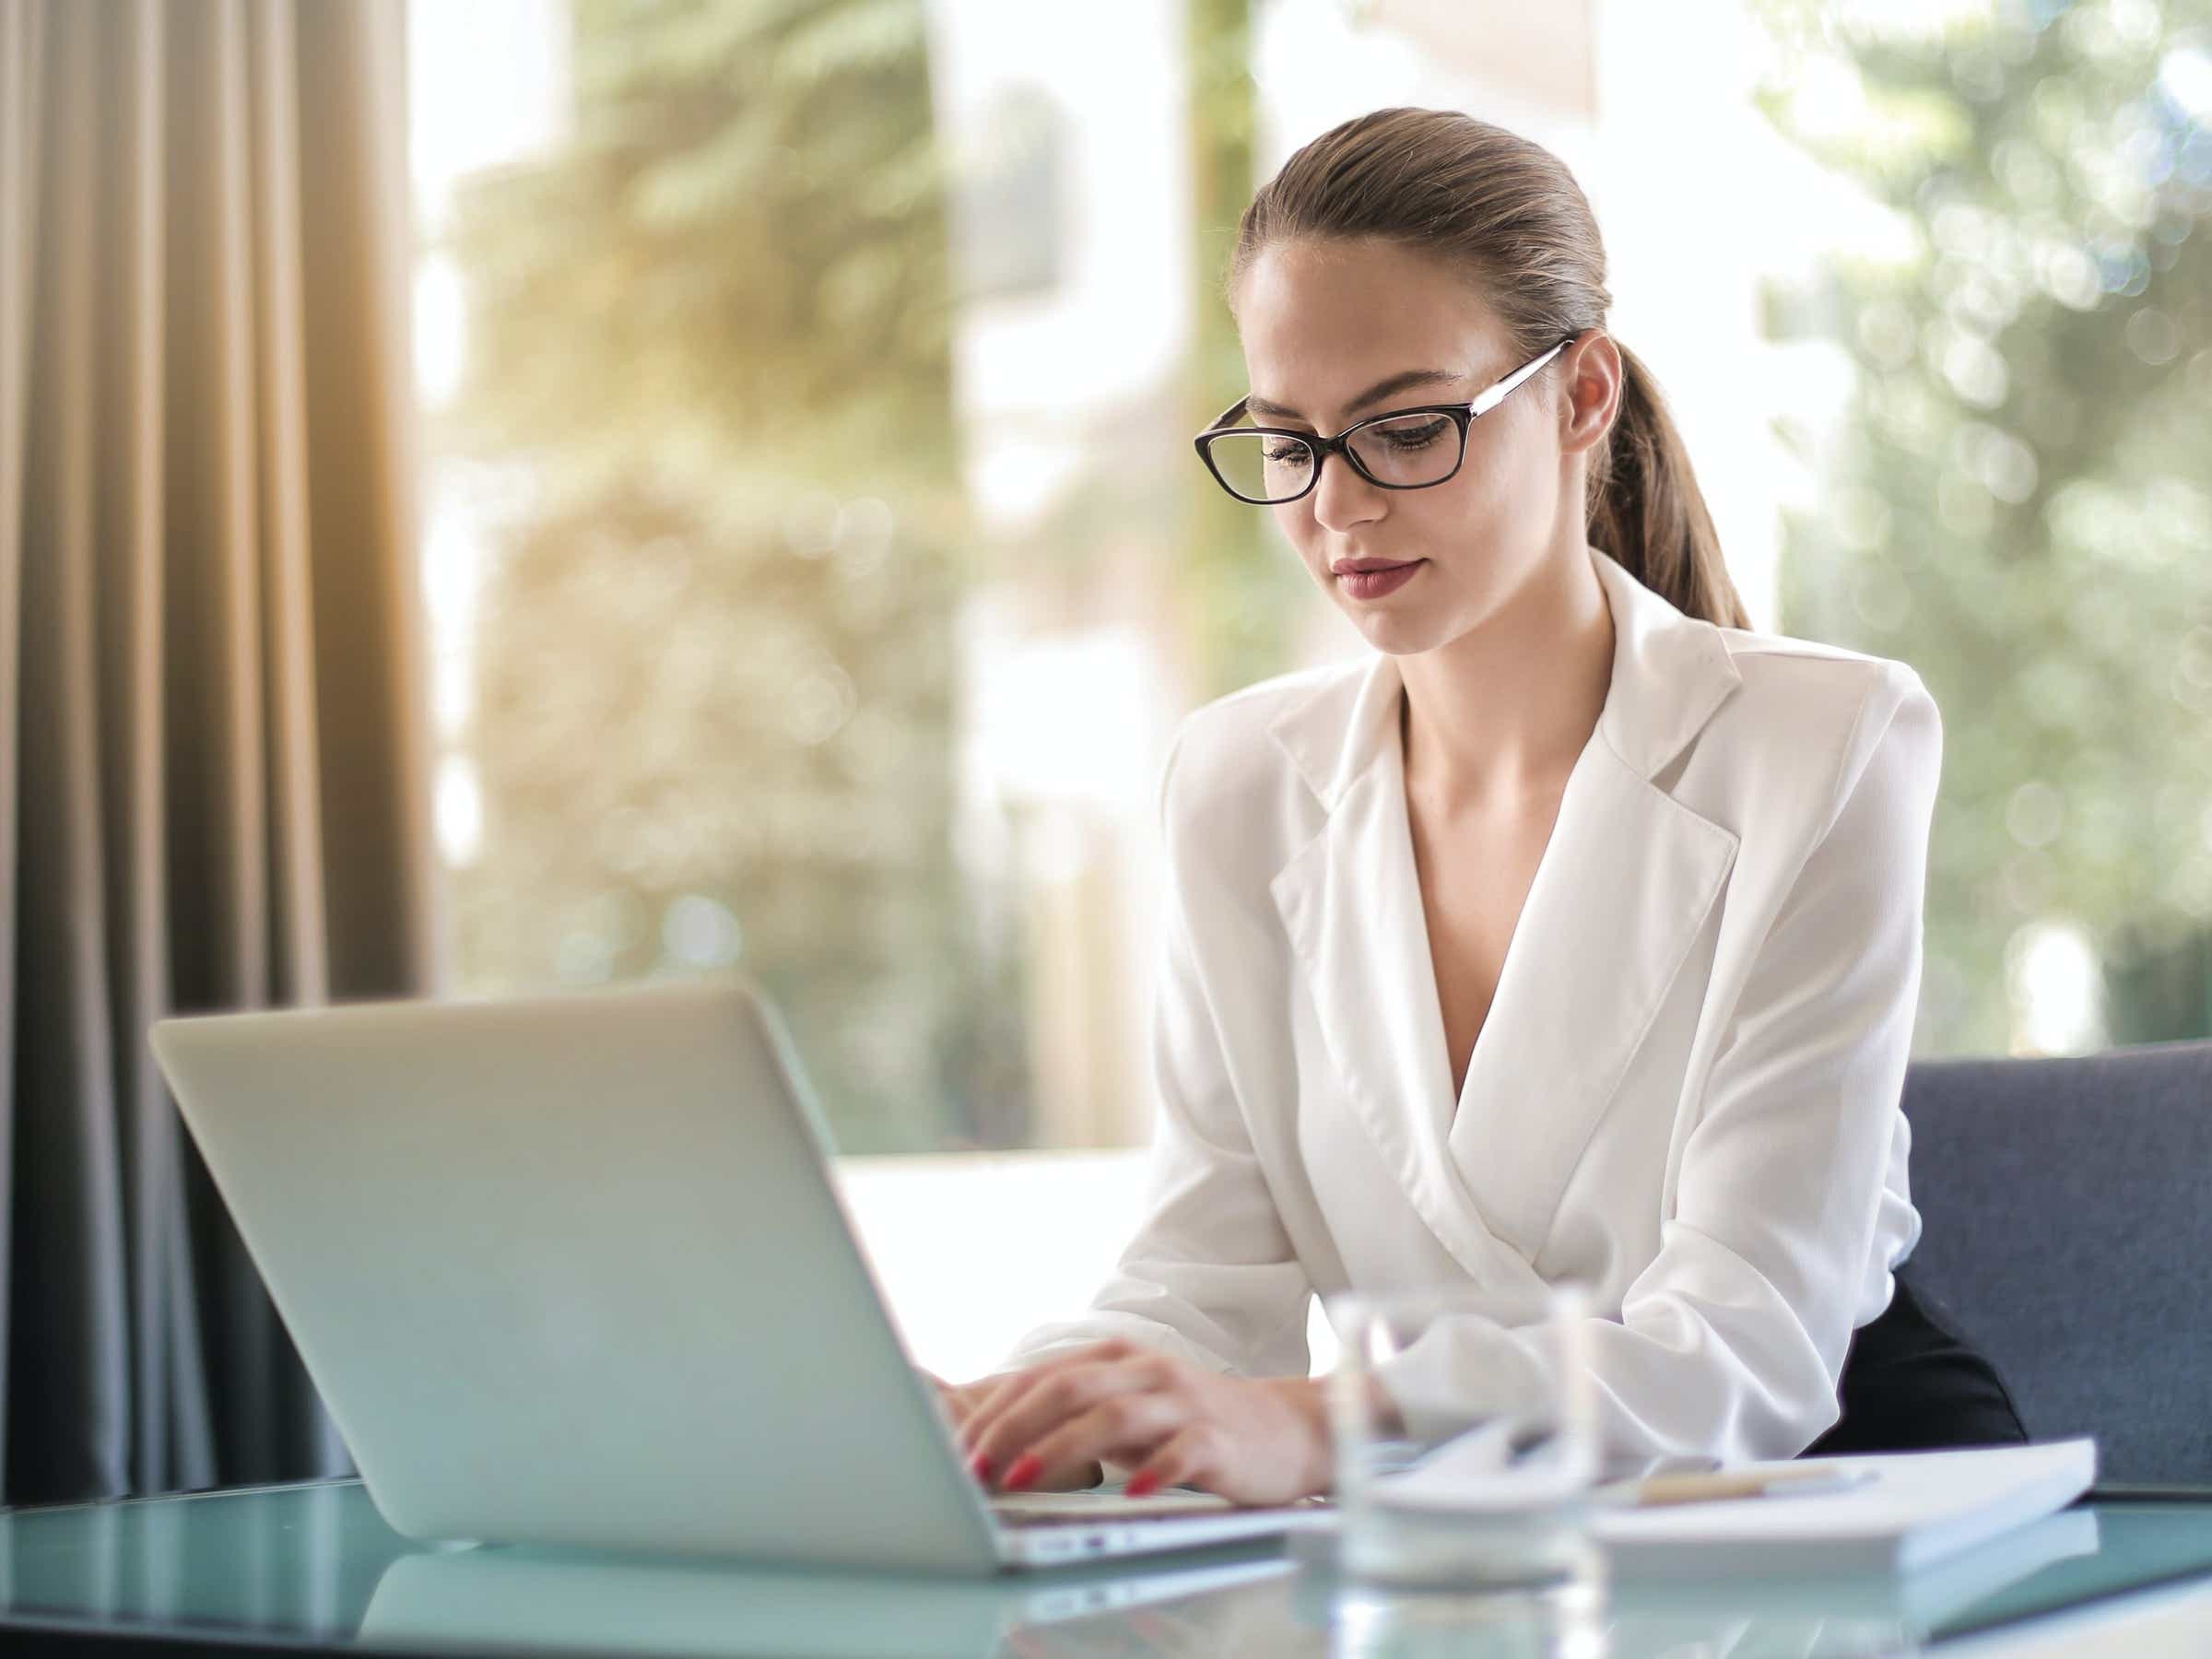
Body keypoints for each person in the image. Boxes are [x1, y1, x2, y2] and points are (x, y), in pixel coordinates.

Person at [933, 107, 2023, 1507]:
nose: (1339, 507)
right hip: (1460, 1529)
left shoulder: (1827, 741)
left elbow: (1746, 1350)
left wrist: (1322, 1430)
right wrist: (1007, 1418)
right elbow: (1199, 1285)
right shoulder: (1237, 785)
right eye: (1290, 440)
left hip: (1821, 1497)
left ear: (1581, 399)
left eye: (1404, 428)